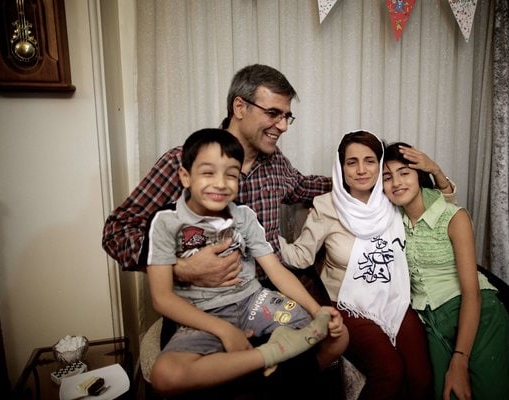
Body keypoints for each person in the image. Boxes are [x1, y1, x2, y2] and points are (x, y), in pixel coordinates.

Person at [102, 64, 337, 397]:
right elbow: (116, 230)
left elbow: (304, 186)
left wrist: (361, 180)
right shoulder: (183, 163)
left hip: (263, 295)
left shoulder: (277, 165)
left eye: (287, 117)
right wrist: (180, 268)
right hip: (201, 306)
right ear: (239, 107)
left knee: (319, 346)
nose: (282, 126)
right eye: (274, 113)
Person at [144, 129, 348, 396]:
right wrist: (225, 330)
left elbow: (274, 268)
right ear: (185, 176)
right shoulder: (165, 223)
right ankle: (269, 354)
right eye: (208, 173)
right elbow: (161, 298)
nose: (220, 183)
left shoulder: (244, 216)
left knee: (339, 336)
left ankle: (272, 355)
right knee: (165, 374)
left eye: (231, 174)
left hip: (253, 302)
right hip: (204, 314)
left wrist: (317, 308)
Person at [279, 130, 457, 400]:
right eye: (352, 162)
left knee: (421, 376)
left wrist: (435, 169)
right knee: (389, 371)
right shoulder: (327, 206)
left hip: (393, 299)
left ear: (379, 163)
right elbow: (301, 256)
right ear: (341, 168)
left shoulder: (393, 199)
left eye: (370, 161)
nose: (361, 170)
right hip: (347, 303)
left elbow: (443, 210)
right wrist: (265, 238)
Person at [382, 142, 509, 400]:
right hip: (430, 320)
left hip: (476, 310)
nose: (396, 182)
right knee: (447, 393)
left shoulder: (454, 218)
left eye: (405, 173)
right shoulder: (391, 218)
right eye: (387, 177)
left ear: (419, 177)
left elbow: (471, 293)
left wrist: (460, 359)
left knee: (489, 392)